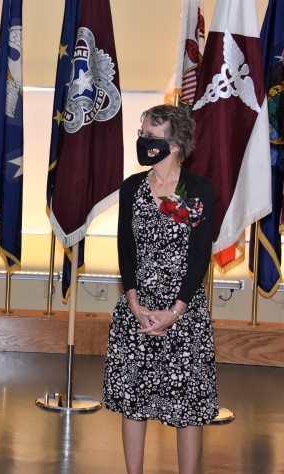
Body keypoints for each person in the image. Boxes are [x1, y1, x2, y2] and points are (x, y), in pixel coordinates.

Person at [103, 104, 219, 474]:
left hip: (182, 312)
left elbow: (201, 254)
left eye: (150, 136)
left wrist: (175, 311)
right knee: (133, 400)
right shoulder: (131, 188)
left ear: (174, 143)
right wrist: (134, 302)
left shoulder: (198, 189)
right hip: (138, 309)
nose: (142, 141)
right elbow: (126, 247)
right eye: (141, 134)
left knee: (187, 406)